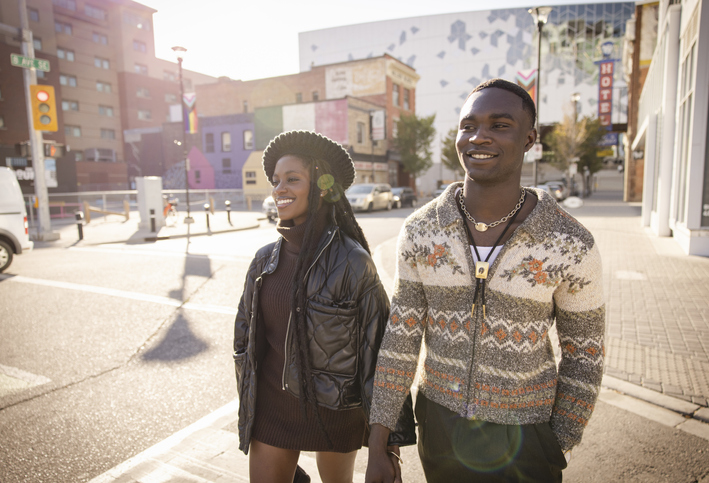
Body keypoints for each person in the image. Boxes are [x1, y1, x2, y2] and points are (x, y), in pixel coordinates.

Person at [366, 79, 605, 483]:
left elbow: (585, 354)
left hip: (525, 437)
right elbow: (401, 339)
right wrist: (379, 441)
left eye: (499, 125)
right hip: (440, 428)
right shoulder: (421, 231)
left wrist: (557, 440)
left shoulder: (570, 243)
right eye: (468, 125)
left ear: (529, 138)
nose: (479, 137)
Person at [233, 130, 415, 483]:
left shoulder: (353, 261)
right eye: (275, 181)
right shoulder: (263, 262)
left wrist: (387, 448)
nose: (279, 189)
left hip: (335, 416)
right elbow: (244, 342)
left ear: (320, 185)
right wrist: (250, 406)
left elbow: (382, 353)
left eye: (292, 179)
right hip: (272, 412)